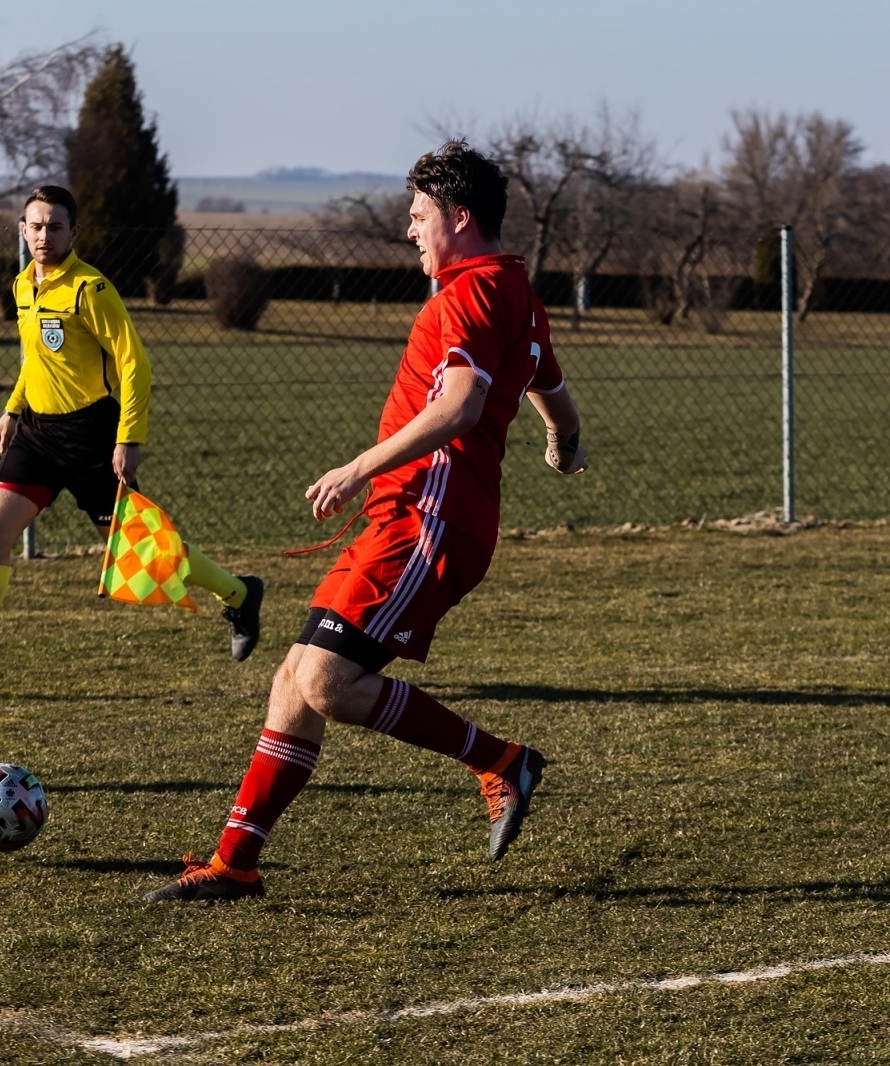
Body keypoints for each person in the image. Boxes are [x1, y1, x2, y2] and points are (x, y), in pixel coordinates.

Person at [143, 141, 588, 902]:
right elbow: (554, 390)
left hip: (429, 520)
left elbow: (460, 407)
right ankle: (235, 862)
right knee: (293, 677)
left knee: (325, 680)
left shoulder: (469, 292)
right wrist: (563, 443)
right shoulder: (515, 290)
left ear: (460, 216)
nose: (410, 231)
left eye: (419, 217)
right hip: (411, 518)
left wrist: (358, 467)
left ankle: (500, 761)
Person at [0, 185, 263, 696]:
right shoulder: (22, 286)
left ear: (74, 232)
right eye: (36, 225)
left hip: (92, 436)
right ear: (23, 231)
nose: (44, 235)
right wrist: (11, 410)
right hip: (35, 434)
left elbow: (134, 362)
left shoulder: (90, 290)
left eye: (55, 226)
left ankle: (238, 591)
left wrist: (129, 436)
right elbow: (35, 360)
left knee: (145, 554)